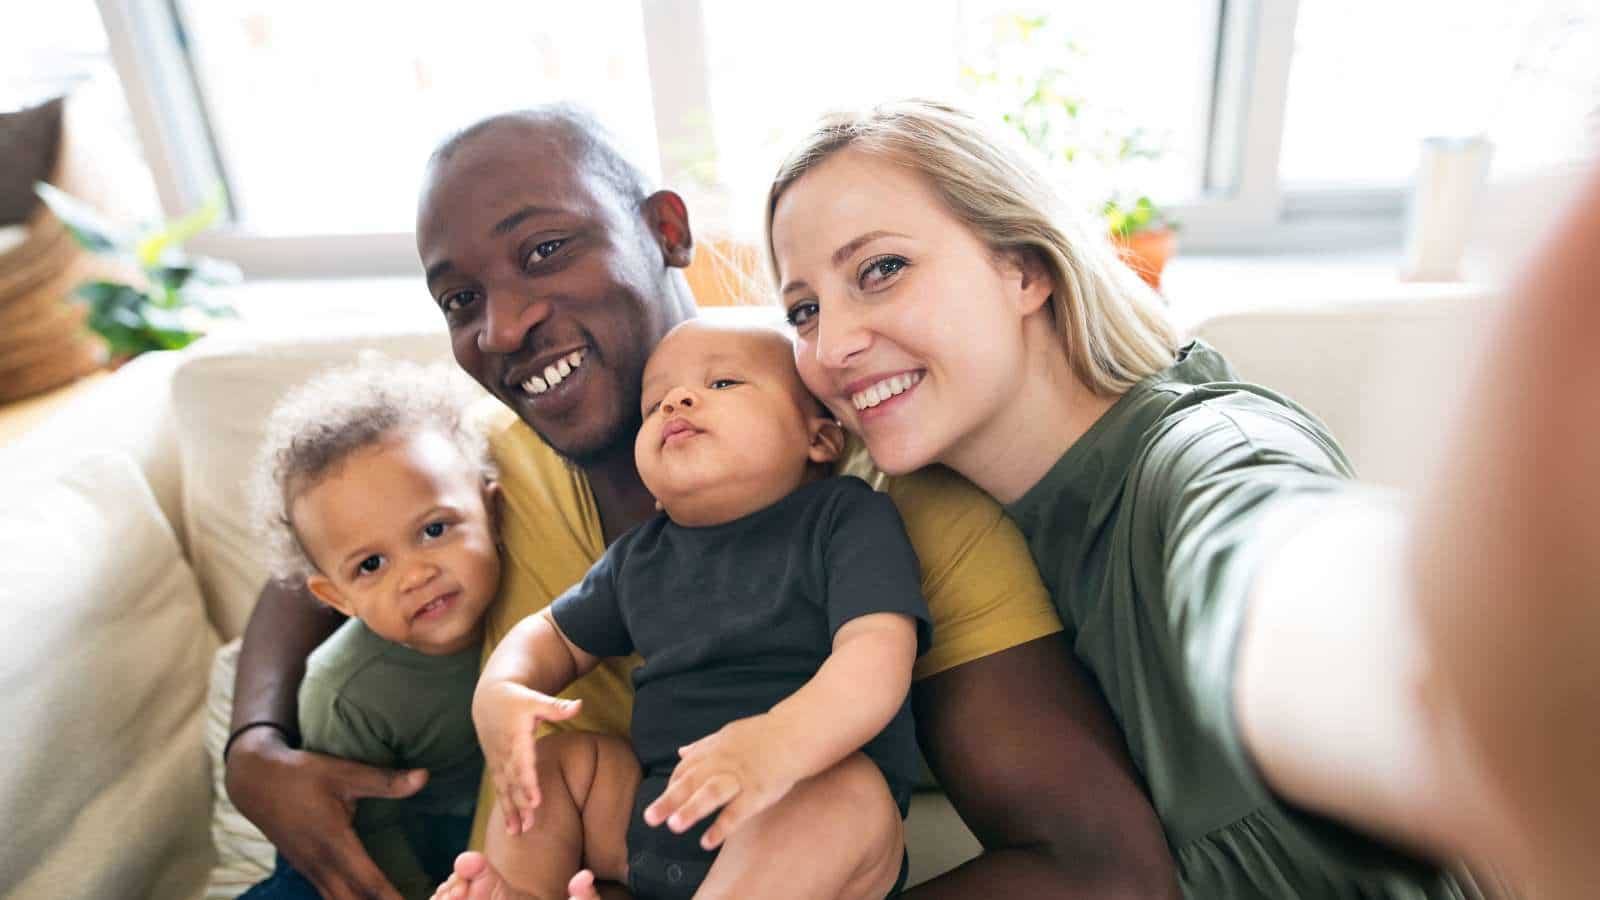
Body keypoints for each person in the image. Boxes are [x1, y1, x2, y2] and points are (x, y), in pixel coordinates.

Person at [224, 104, 1179, 900]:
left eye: (547, 249)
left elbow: (1106, 871)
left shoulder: (885, 500)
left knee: (837, 793)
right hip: (612, 836)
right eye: (459, 301)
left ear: (668, 231)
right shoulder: (493, 472)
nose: (502, 325)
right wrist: (255, 746)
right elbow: (323, 553)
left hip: (785, 834)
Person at [765, 98, 1597, 899]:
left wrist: (1445, 681)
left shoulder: (1200, 457)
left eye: (881, 270)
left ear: (1024, 268)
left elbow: (1290, 575)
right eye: (803, 309)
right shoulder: (923, 534)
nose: (832, 345)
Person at [436, 320, 929, 899]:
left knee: (848, 794)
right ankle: (519, 891)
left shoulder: (844, 518)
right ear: (654, 486)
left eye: (722, 382)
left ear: (818, 440)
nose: (677, 400)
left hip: (805, 817)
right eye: (653, 406)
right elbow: (551, 633)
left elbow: (877, 657)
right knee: (558, 766)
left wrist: (776, 745)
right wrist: (500, 687)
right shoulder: (641, 556)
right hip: (662, 817)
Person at [238, 359, 500, 899]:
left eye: (434, 529)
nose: (416, 574)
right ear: (337, 598)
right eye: (371, 565)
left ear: (493, 511)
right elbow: (362, 836)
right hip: (360, 857)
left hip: (478, 835)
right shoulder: (343, 690)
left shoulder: (535, 598)